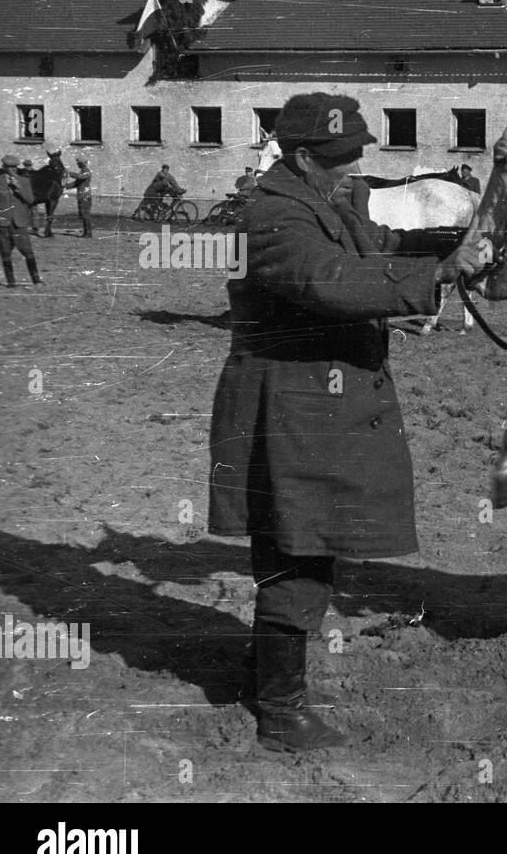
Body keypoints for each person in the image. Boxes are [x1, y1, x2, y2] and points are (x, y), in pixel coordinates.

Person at [207, 93, 483, 753]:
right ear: (301, 157)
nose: (352, 170)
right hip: (288, 407)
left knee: (309, 544)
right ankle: (280, 711)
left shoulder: (328, 198)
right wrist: (438, 273)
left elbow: (380, 245)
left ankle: (266, 678)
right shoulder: (273, 214)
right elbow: (330, 280)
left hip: (316, 405)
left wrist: (464, 253)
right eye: (338, 160)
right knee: (295, 553)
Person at [0, 155, 44, 286]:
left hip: (19, 223)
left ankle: (36, 280)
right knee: (5, 253)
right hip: (2, 222)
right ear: (4, 167)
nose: (13, 170)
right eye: (9, 167)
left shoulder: (24, 180)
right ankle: (11, 282)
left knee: (27, 251)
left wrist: (18, 187)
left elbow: (31, 200)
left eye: (15, 167)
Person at [65, 158, 94, 237]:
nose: (77, 164)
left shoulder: (87, 172)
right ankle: (86, 232)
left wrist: (69, 173)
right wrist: (65, 185)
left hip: (85, 197)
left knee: (85, 215)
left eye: (79, 163)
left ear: (82, 164)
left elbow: (80, 177)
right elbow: (76, 183)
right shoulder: (82, 172)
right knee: (83, 215)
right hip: (82, 197)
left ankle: (88, 233)